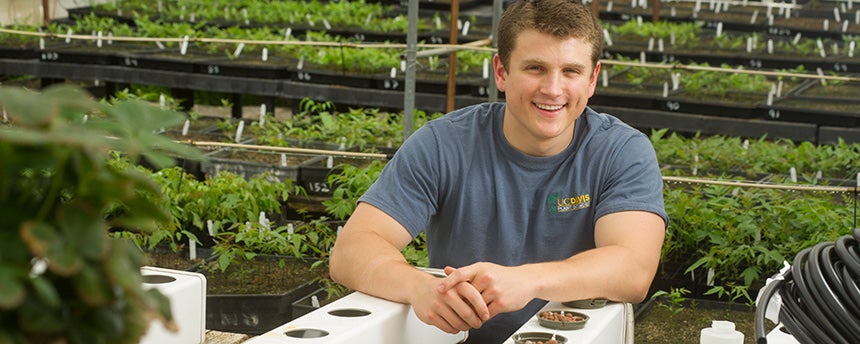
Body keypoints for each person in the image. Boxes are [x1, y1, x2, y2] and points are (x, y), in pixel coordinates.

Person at [329, 0, 668, 342]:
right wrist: (419, 287)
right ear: (502, 72)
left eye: (571, 71)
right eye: (535, 68)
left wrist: (528, 280)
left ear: (593, 79)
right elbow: (352, 249)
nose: (553, 89)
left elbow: (633, 269)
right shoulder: (443, 144)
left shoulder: (621, 152)